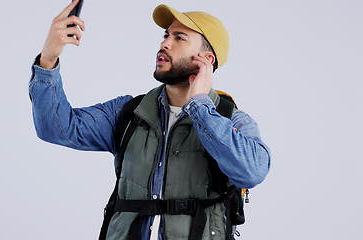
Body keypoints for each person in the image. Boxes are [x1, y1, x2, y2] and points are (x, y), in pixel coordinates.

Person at [28, 1, 271, 239]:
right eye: (166, 35)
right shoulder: (129, 112)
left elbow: (252, 172)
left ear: (206, 59)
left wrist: (200, 107)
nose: (164, 43)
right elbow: (55, 128)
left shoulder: (232, 120)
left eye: (179, 38)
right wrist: (48, 60)